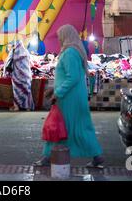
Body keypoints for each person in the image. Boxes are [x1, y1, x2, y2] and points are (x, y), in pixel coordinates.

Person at [34, 25, 104, 168]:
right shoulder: (74, 51)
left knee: (57, 127)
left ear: (66, 36)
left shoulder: (70, 53)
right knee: (80, 128)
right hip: (74, 96)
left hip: (68, 98)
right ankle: (97, 157)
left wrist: (57, 93)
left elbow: (72, 78)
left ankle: (47, 158)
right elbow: (71, 77)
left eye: (60, 36)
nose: (59, 39)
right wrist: (54, 88)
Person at [4, 40, 35, 112]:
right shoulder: (26, 52)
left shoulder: (14, 52)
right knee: (27, 91)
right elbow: (31, 63)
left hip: (17, 76)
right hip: (26, 76)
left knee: (17, 92)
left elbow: (8, 62)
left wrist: (5, 72)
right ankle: (28, 107)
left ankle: (16, 107)